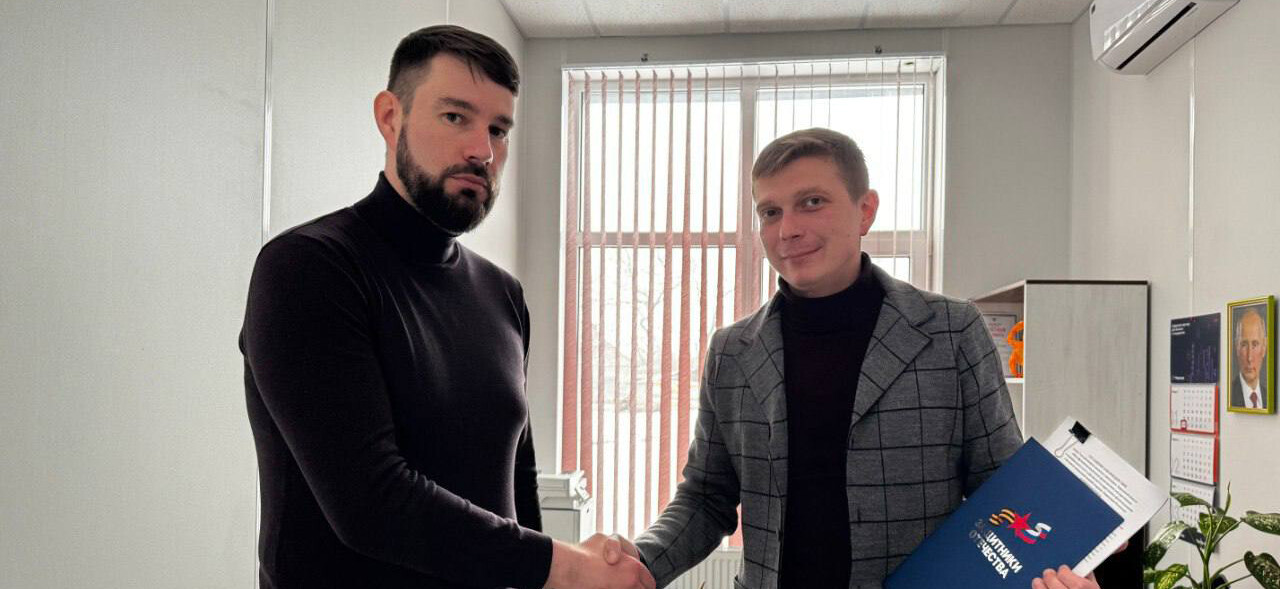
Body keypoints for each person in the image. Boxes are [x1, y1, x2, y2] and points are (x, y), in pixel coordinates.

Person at [602, 128, 1111, 589]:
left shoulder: (951, 330)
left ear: (865, 210)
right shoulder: (732, 351)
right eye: (770, 212)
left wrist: (1061, 560)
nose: (787, 229)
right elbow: (706, 497)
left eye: (812, 202)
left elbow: (1000, 490)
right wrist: (641, 561)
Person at [240, 25, 652, 589]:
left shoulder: (503, 294)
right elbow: (371, 504)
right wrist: (565, 567)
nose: (482, 151)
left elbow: (517, 489)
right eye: (456, 117)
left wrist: (562, 566)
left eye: (498, 129)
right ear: (391, 117)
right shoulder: (309, 267)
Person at [1231, 307, 1269, 410]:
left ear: (1264, 347)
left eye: (1255, 344)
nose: (1249, 357)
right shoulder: (1229, 395)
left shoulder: (1269, 398)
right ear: (1237, 347)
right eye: (1244, 345)